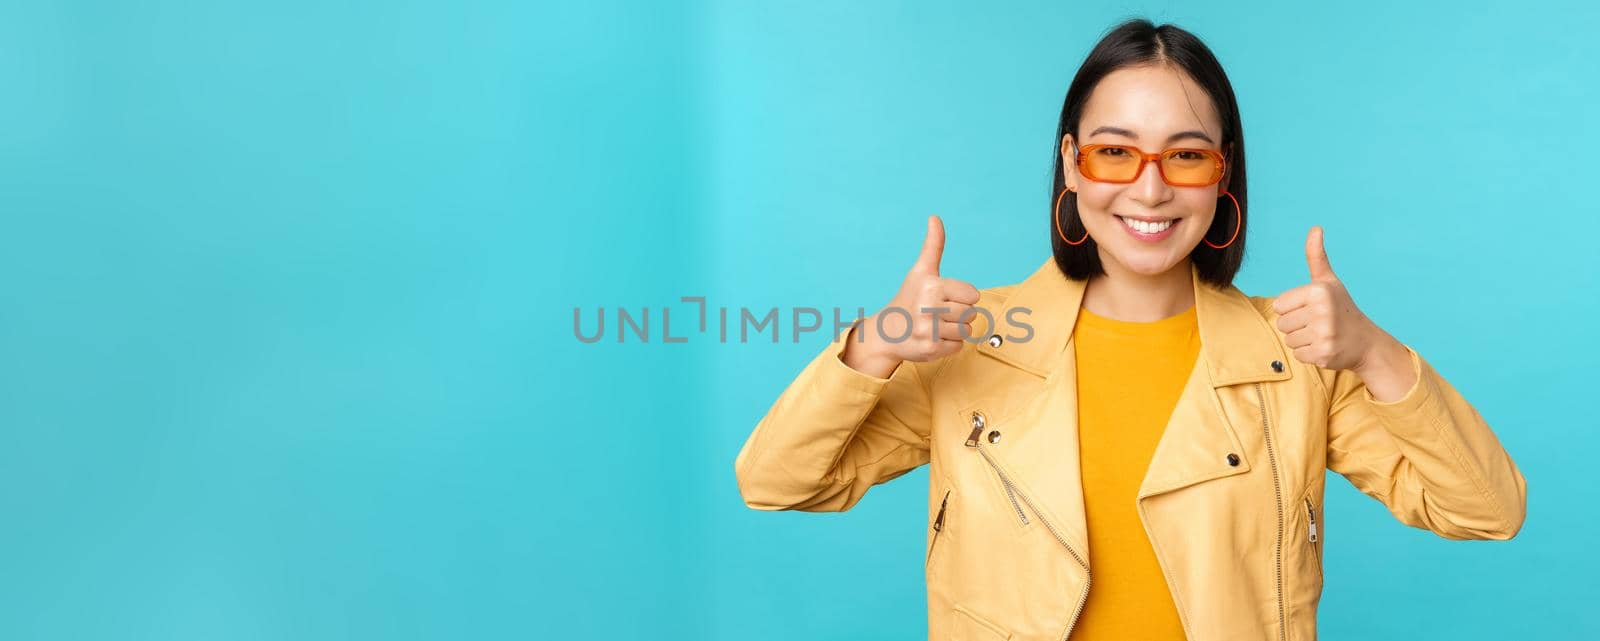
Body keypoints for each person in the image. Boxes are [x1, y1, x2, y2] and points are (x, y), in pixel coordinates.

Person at [732, 17, 1527, 641]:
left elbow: (1487, 510)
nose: (1150, 189)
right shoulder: (974, 343)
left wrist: (1376, 354)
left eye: (1185, 156)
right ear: (1073, 165)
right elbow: (776, 480)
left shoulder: (1296, 364)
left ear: (1223, 173)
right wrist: (873, 345)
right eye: (1116, 152)